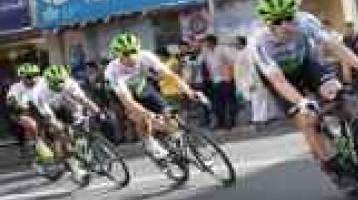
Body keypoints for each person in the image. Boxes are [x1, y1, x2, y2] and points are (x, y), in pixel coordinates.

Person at [249, 0, 358, 196]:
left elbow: (334, 46)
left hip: (305, 64)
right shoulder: (259, 42)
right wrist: (302, 102)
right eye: (277, 21)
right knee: (307, 120)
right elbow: (278, 81)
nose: (285, 25)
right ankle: (333, 168)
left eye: (289, 17)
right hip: (282, 78)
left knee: (339, 95)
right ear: (268, 23)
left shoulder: (305, 22)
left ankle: (357, 142)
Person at [104, 32, 208, 163]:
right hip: (121, 95)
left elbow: (170, 75)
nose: (131, 56)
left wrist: (190, 92)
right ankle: (149, 142)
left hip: (141, 87)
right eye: (125, 54)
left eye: (133, 51)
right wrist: (148, 114)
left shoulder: (146, 56)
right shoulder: (112, 71)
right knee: (142, 119)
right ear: (118, 56)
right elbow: (128, 101)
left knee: (169, 116)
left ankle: (178, 143)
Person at [32, 65, 104, 183]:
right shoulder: (39, 92)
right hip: (48, 109)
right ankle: (75, 170)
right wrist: (58, 126)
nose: (60, 84)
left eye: (62, 81)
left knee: (80, 120)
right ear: (48, 82)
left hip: (64, 102)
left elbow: (83, 100)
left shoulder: (70, 82)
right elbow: (49, 117)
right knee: (61, 134)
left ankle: (85, 151)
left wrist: (98, 112)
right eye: (56, 83)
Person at [6, 63, 53, 164]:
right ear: (22, 77)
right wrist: (16, 103)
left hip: (39, 109)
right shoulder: (16, 87)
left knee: (54, 123)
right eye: (29, 76)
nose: (33, 78)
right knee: (32, 124)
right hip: (20, 112)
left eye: (36, 74)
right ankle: (38, 144)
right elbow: (11, 100)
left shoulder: (43, 82)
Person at [201, 34, 238, 130]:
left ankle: (231, 122)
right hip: (215, 81)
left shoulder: (222, 50)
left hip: (226, 79)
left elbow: (231, 63)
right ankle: (221, 122)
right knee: (218, 103)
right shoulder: (207, 53)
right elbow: (208, 67)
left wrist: (230, 77)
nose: (205, 44)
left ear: (211, 42)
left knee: (229, 102)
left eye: (206, 42)